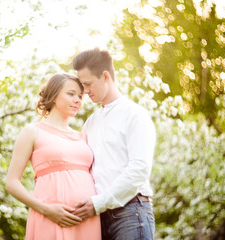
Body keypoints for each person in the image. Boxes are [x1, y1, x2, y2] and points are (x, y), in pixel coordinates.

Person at [72, 48, 156, 240]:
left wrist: (99, 203)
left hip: (131, 213)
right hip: (97, 218)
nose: (84, 92)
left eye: (88, 84)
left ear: (105, 76)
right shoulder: (90, 123)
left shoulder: (135, 115)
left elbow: (139, 169)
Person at [5, 73, 101, 240]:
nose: (78, 100)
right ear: (54, 95)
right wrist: (46, 209)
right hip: (50, 216)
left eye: (80, 96)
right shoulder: (32, 132)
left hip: (87, 219)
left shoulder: (83, 136)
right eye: (71, 94)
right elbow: (11, 183)